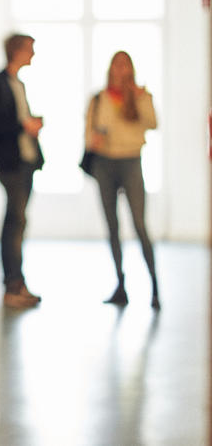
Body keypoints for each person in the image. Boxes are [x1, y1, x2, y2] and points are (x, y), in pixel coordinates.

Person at [0, 34, 44, 308]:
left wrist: (29, 126)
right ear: (17, 51)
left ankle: (17, 282)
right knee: (15, 220)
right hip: (10, 163)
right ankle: (13, 285)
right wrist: (23, 126)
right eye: (30, 49)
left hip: (26, 161)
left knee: (18, 220)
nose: (33, 54)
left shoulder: (18, 84)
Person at [85, 51, 159, 308]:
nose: (120, 69)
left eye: (125, 64)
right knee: (112, 226)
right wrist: (94, 140)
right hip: (104, 163)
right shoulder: (98, 98)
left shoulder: (141, 96)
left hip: (131, 162)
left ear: (130, 68)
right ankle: (120, 283)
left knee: (139, 224)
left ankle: (155, 285)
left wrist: (139, 98)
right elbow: (88, 133)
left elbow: (153, 123)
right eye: (116, 64)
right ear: (110, 68)